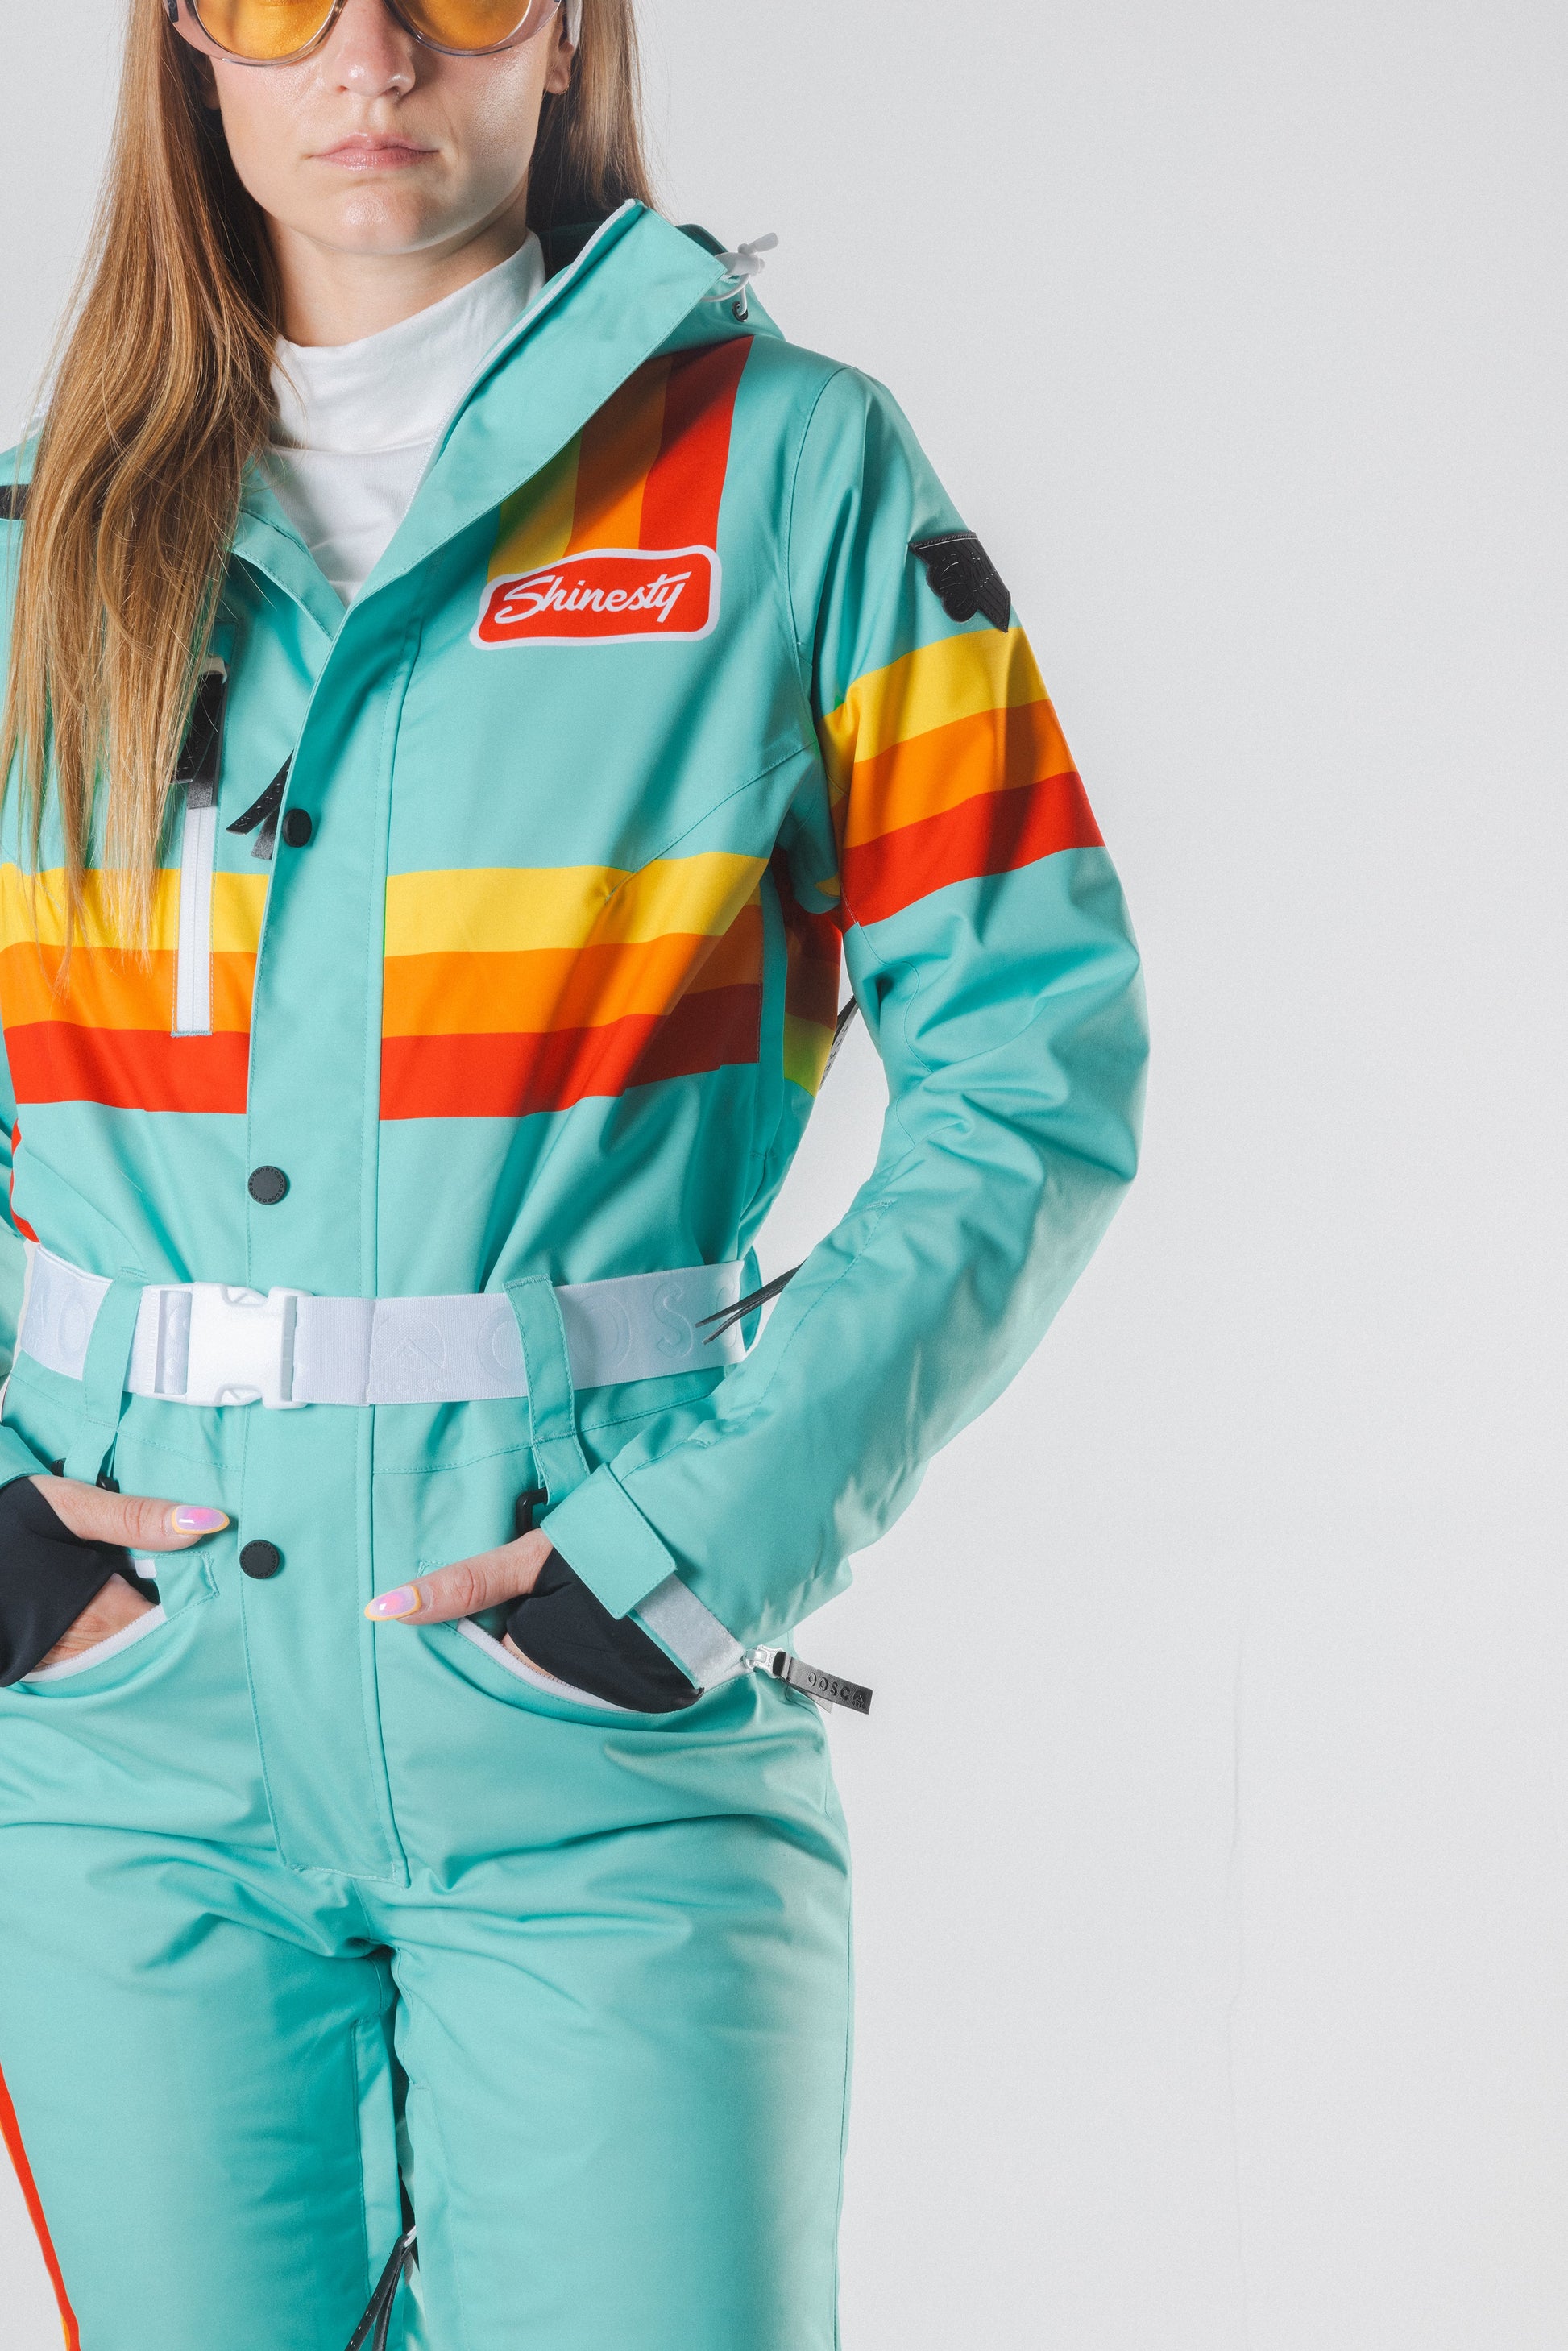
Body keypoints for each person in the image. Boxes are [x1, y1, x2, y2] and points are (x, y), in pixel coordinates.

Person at [0, 2, 1147, 2344]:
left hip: (587, 1726)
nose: (369, 54)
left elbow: (1034, 1062)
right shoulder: (42, 543)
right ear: (187, 44)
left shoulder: (783, 476)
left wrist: (680, 1561)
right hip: (124, 1763)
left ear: (567, 29)